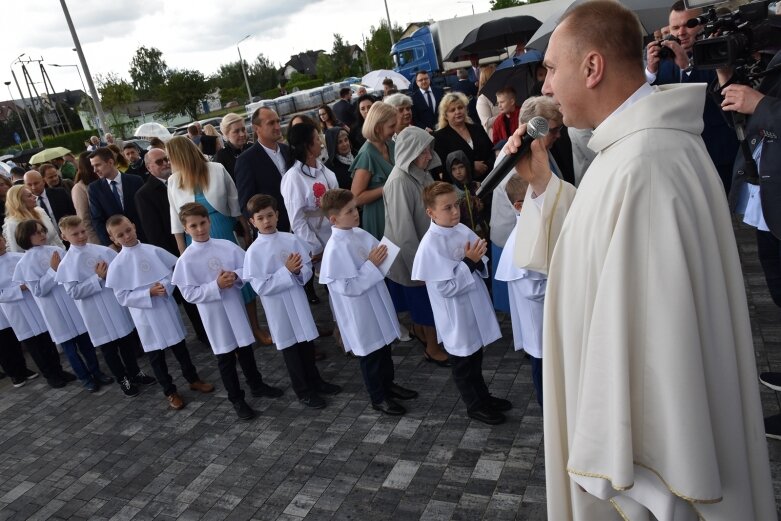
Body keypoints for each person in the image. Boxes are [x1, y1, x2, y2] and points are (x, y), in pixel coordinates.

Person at [505, 1, 774, 517]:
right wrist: (541, 183)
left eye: (552, 70)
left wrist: (630, 464)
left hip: (653, 498)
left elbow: (661, 357)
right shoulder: (629, 150)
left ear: (592, 67)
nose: (545, 88)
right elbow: (597, 246)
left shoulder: (648, 162)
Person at [715, 47, 781, 437]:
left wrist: (762, 103)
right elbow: (742, 127)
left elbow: (765, 112)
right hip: (767, 204)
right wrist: (727, 79)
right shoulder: (767, 63)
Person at [171, 203, 283, 421]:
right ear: (186, 229)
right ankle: (236, 398)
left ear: (209, 221)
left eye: (203, 223)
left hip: (234, 306)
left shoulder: (226, 246)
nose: (200, 229)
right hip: (214, 315)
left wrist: (235, 276)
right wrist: (216, 286)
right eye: (193, 226)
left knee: (246, 348)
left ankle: (256, 384)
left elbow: (246, 267)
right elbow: (188, 294)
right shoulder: (186, 259)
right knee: (226, 357)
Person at [411, 182, 509, 425]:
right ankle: (474, 405)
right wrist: (469, 262)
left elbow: (479, 259)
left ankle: (484, 397)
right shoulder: (430, 245)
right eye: (447, 208)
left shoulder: (461, 229)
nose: (455, 211)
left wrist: (478, 258)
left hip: (473, 305)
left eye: (456, 205)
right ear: (431, 213)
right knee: (463, 363)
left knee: (475, 357)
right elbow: (445, 288)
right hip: (455, 314)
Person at [319, 189, 418, 416]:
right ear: (333, 219)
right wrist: (372, 265)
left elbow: (380, 254)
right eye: (350, 211)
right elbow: (347, 287)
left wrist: (384, 257)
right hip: (359, 311)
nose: (356, 214)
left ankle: (389, 385)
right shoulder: (334, 249)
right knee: (371, 355)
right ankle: (378, 397)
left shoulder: (359, 234)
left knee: (384, 348)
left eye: (355, 208)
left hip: (376, 300)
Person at [165, 136, 268, 346]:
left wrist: (246, 230)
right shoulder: (174, 181)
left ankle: (255, 328)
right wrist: (182, 251)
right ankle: (231, 335)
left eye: (170, 158)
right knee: (213, 284)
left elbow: (234, 200)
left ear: (180, 156)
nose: (169, 162)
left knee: (238, 280)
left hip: (221, 226)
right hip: (194, 234)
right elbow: (175, 219)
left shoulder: (216, 168)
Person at [105, 215, 214, 411]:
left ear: (134, 227)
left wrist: (163, 286)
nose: (127, 236)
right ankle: (169, 390)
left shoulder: (153, 250)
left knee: (180, 348)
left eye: (128, 230)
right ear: (113, 239)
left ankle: (193, 379)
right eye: (120, 235)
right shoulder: (117, 265)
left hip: (165, 308)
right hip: (145, 316)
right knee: (156, 357)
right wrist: (148, 293)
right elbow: (122, 296)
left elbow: (172, 273)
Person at [244, 194, 342, 408]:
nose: (267, 221)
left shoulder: (291, 240)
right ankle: (303, 390)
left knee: (307, 344)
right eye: (260, 218)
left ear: (278, 215)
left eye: (270, 215)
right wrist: (287, 272)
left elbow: (307, 269)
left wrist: (298, 273)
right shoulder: (254, 252)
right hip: (278, 307)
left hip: (297, 300)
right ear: (252, 222)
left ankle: (316, 381)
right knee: (291, 350)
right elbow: (260, 287)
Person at [54, 215, 155, 396]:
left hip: (113, 305)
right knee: (109, 350)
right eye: (75, 234)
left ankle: (135, 372)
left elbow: (121, 272)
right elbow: (74, 292)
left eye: (83, 231)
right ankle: (122, 379)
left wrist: (110, 275)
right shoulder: (67, 264)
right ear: (64, 237)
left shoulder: (102, 251)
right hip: (94, 313)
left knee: (126, 342)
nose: (81, 236)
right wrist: (97, 278)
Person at [645, 0, 739, 192]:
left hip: (717, 150)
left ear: (702, 24)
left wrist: (687, 68)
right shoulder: (662, 59)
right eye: (675, 27)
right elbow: (648, 102)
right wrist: (650, 72)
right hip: (676, 156)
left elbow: (722, 97)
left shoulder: (721, 51)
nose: (681, 32)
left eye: (689, 25)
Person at [12, 220, 110, 393]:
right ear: (25, 237)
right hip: (53, 311)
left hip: (71, 305)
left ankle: (97, 371)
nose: (42, 235)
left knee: (86, 343)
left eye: (43, 231)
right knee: (70, 349)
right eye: (37, 233)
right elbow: (38, 290)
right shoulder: (24, 263)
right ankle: (85, 378)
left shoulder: (56, 251)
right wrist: (53, 271)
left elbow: (72, 274)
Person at [383, 126, 450, 367]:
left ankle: (423, 335)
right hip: (410, 256)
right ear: (410, 152)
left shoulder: (420, 173)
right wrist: (417, 267)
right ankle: (432, 348)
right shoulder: (398, 182)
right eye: (423, 152)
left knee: (422, 303)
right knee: (424, 303)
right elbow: (403, 232)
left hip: (422, 251)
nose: (429, 156)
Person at [134, 147, 209, 345]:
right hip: (173, 250)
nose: (165, 163)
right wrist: (172, 257)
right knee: (188, 294)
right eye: (159, 162)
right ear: (149, 168)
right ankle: (203, 333)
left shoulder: (181, 180)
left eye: (167, 159)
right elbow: (154, 232)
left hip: (195, 241)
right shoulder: (144, 194)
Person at [494, 174, 544, 406]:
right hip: (539, 322)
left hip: (547, 318)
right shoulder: (519, 240)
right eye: (536, 196)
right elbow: (532, 289)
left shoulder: (534, 226)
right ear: (519, 206)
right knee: (543, 370)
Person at [281, 122, 339, 305]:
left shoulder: (322, 168)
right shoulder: (293, 177)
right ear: (307, 144)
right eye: (316, 139)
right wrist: (314, 247)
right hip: (318, 237)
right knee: (333, 284)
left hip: (336, 231)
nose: (321, 143)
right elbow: (297, 220)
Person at [0, 234, 58, 388]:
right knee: (34, 345)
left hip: (34, 304)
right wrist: (20, 288)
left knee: (47, 340)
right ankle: (50, 375)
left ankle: (59, 370)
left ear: (4, 239)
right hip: (16, 311)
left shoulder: (20, 257)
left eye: (0, 239)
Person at [235, 107, 291, 231]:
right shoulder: (246, 160)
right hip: (273, 232)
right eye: (271, 123)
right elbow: (246, 205)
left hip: (300, 227)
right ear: (256, 128)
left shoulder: (288, 151)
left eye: (278, 121)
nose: (277, 126)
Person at [350, 102, 398, 240]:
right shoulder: (367, 154)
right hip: (379, 217)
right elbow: (356, 198)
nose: (394, 130)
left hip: (395, 212)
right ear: (377, 128)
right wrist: (388, 188)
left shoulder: (391, 144)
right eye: (391, 126)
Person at [88, 147, 146, 246]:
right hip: (118, 245)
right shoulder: (94, 189)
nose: (95, 170)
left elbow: (146, 211)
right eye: (93, 166)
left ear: (110, 162)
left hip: (143, 240)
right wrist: (110, 244)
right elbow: (97, 220)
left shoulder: (136, 181)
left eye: (97, 165)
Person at [433, 92, 494, 182]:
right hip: (463, 187)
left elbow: (491, 151)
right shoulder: (439, 137)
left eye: (460, 108)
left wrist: (486, 166)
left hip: (489, 179)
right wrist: (470, 167)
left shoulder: (477, 128)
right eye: (452, 110)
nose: (457, 112)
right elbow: (443, 167)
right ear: (446, 115)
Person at [3, 185, 64, 252]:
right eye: (29, 196)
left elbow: (55, 237)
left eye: (32, 194)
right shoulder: (13, 223)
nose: (35, 197)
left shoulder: (40, 211)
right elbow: (17, 251)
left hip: (56, 255)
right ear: (19, 201)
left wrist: (63, 251)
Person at [445, 151, 487, 238]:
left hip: (483, 234)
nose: (458, 172)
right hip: (463, 237)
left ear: (467, 166)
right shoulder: (450, 192)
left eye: (461, 167)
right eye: (454, 169)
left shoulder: (478, 186)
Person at [70, 152, 101, 245]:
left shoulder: (101, 181)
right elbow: (84, 219)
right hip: (97, 239)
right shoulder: (79, 188)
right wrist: (97, 244)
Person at [213, 113, 252, 181]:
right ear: (226, 134)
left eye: (243, 129)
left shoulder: (252, 148)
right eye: (236, 131)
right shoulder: (221, 156)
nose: (242, 134)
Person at [475, 65, 500, 141]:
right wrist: (504, 113)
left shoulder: (501, 93)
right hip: (496, 137)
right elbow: (487, 123)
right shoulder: (482, 99)